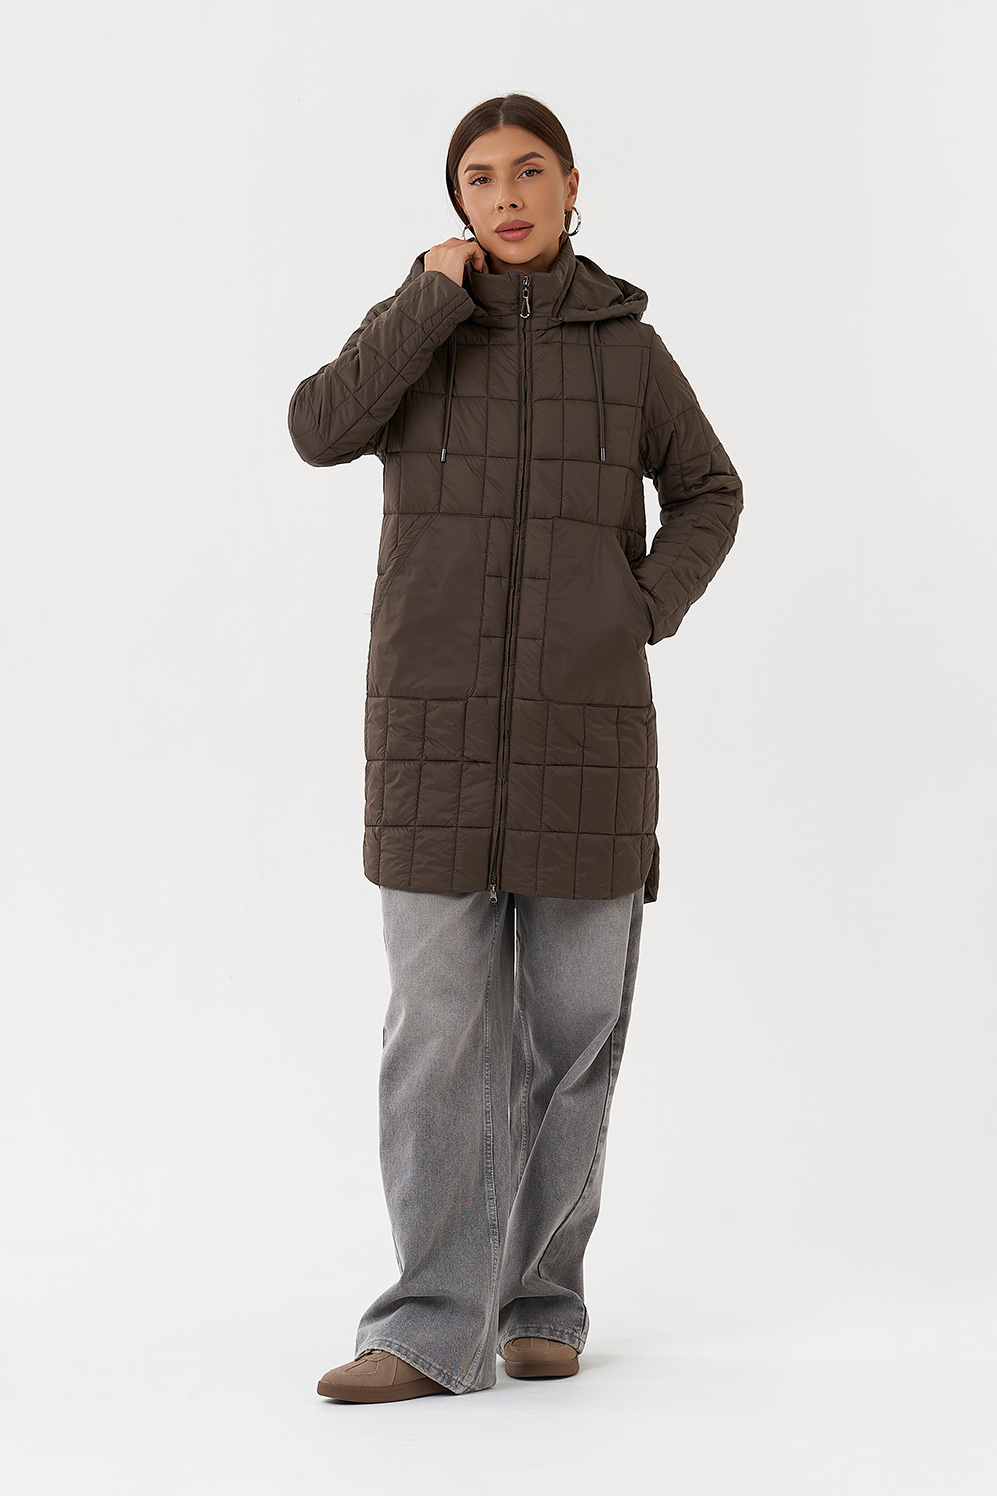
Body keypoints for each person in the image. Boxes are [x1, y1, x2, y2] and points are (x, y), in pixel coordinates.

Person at [287, 93, 743, 1402]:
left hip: (586, 736)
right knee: (434, 1035)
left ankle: (542, 1299)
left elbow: (708, 490)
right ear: (458, 205)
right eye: (479, 177)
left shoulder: (628, 348)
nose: (505, 194)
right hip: (429, 740)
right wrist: (424, 299)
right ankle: (425, 1325)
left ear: (569, 185)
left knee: (570, 1036)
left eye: (527, 170)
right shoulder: (422, 328)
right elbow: (319, 429)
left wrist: (634, 609)